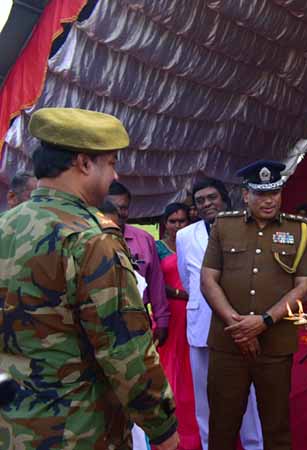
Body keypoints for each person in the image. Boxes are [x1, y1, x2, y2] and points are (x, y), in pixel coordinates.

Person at [0, 107, 178, 449]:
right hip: (77, 431)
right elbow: (126, 352)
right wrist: (163, 429)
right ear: (83, 163)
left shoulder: (5, 226)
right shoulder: (91, 240)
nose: (114, 175)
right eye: (110, 163)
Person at [201, 161, 307, 450]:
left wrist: (263, 322)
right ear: (245, 194)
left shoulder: (299, 229)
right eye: (261, 194)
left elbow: (304, 285)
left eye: (275, 192)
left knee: (277, 428)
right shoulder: (224, 225)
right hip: (229, 344)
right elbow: (208, 280)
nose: (269, 200)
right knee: (222, 427)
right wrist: (238, 326)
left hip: (274, 344)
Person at [176, 178, 263, 450]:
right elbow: (187, 279)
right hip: (201, 324)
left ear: (224, 199)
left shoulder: (245, 226)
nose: (206, 204)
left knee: (247, 393)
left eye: (211, 197)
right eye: (200, 201)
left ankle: (254, 445)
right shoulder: (184, 236)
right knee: (204, 397)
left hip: (239, 321)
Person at [155, 203, 202, 449]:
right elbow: (153, 282)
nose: (177, 225)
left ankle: (196, 434)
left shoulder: (194, 243)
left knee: (193, 371)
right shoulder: (157, 248)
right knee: (171, 370)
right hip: (170, 314)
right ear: (165, 223)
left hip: (195, 311)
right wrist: (180, 294)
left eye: (181, 221)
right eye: (172, 221)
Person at [107, 181, 170, 345]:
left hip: (138, 321)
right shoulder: (89, 238)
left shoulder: (144, 239)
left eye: (123, 207)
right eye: (113, 208)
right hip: (101, 322)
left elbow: (156, 283)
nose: (119, 213)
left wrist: (162, 320)